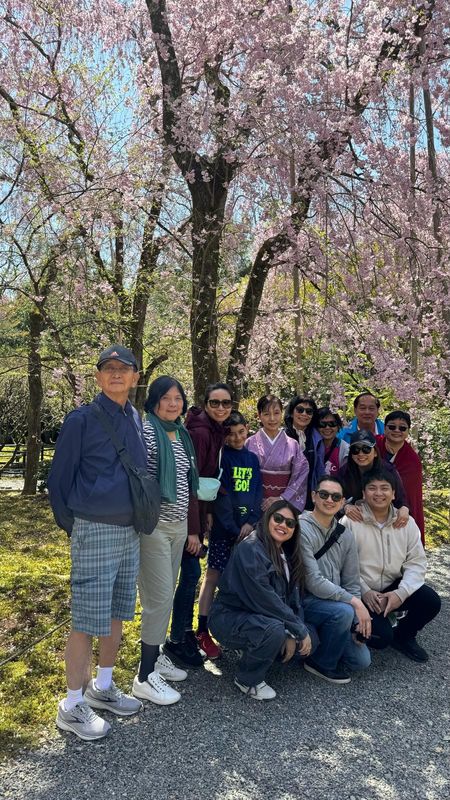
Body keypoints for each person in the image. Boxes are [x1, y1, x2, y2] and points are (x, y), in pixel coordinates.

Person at [48, 344, 145, 741]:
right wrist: (78, 526)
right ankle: (71, 705)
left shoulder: (135, 417)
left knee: (118, 611)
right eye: (108, 368)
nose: (116, 373)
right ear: (99, 377)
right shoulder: (82, 420)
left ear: (136, 377)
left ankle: (102, 686)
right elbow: (58, 481)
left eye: (124, 368)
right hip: (93, 528)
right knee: (86, 618)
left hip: (130, 529)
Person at [133, 376, 199, 706]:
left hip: (178, 525)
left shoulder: (181, 433)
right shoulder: (146, 431)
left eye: (178, 398)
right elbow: (139, 478)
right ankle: (144, 677)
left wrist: (190, 527)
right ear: (154, 401)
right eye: (166, 398)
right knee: (158, 599)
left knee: (166, 595)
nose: (173, 403)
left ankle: (156, 656)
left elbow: (188, 482)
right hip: (154, 527)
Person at [209, 500, 315, 699]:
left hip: (258, 616)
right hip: (229, 617)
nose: (283, 525)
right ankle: (247, 679)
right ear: (268, 518)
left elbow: (293, 597)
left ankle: (256, 651)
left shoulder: (286, 552)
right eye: (278, 518)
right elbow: (265, 598)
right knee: (273, 631)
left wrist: (294, 633)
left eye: (290, 523)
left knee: (313, 639)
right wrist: (295, 629)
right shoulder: (251, 548)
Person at [165, 382, 233, 666]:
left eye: (225, 403)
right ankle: (177, 639)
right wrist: (193, 530)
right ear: (205, 404)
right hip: (182, 515)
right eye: (214, 403)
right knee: (191, 574)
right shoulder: (201, 433)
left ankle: (182, 633)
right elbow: (190, 483)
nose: (220, 408)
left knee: (191, 575)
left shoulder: (216, 431)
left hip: (197, 512)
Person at [343, 470, 441, 662]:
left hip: (391, 587)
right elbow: (342, 565)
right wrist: (364, 591)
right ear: (363, 493)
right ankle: (353, 629)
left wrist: (400, 593)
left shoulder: (406, 523)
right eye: (372, 488)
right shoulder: (350, 522)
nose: (378, 493)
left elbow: (416, 563)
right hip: (361, 590)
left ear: (394, 494)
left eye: (384, 488)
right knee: (380, 638)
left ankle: (404, 636)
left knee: (430, 601)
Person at [196, 411, 263, 658]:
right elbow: (219, 496)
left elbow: (257, 490)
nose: (236, 438)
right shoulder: (221, 458)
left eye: (241, 433)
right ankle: (202, 629)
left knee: (244, 579)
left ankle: (237, 629)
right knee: (213, 575)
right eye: (230, 434)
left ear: (248, 430)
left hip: (248, 530)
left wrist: (252, 521)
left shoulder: (253, 459)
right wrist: (234, 528)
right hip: (225, 530)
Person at [299, 476, 371, 684]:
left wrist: (357, 621)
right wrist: (356, 604)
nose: (329, 500)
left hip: (336, 606)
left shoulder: (345, 535)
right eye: (324, 494)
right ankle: (321, 663)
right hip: (306, 601)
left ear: (342, 503)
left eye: (336, 497)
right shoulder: (301, 529)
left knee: (361, 661)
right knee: (344, 611)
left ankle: (326, 639)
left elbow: (351, 581)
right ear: (314, 497)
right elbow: (312, 580)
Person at [245, 394, 309, 513]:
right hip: (254, 504)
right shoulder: (249, 443)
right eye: (266, 414)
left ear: (282, 414)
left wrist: (282, 498)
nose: (272, 419)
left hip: (283, 504)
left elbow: (301, 474)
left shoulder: (293, 444)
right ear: (259, 415)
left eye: (276, 413)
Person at [338, 430, 409, 528]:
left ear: (375, 452)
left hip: (385, 522)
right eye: (355, 449)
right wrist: (345, 506)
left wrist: (405, 508)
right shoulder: (344, 472)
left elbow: (401, 498)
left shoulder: (389, 470)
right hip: (354, 522)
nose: (361, 453)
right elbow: (335, 496)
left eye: (366, 449)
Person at [376, 411, 425, 544]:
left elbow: (411, 496)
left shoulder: (412, 460)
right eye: (392, 427)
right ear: (384, 428)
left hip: (397, 514)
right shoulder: (373, 445)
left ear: (408, 431)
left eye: (402, 428)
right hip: (369, 508)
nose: (397, 430)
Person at [284, 395, 325, 509]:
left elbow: (319, 470)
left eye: (309, 411)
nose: (304, 414)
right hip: (285, 495)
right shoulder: (282, 437)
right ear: (292, 412)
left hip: (309, 496)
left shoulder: (316, 439)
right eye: (300, 410)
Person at [317, 407, 349, 476]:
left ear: (338, 426)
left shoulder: (345, 450)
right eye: (322, 424)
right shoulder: (311, 447)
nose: (327, 427)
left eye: (332, 423)